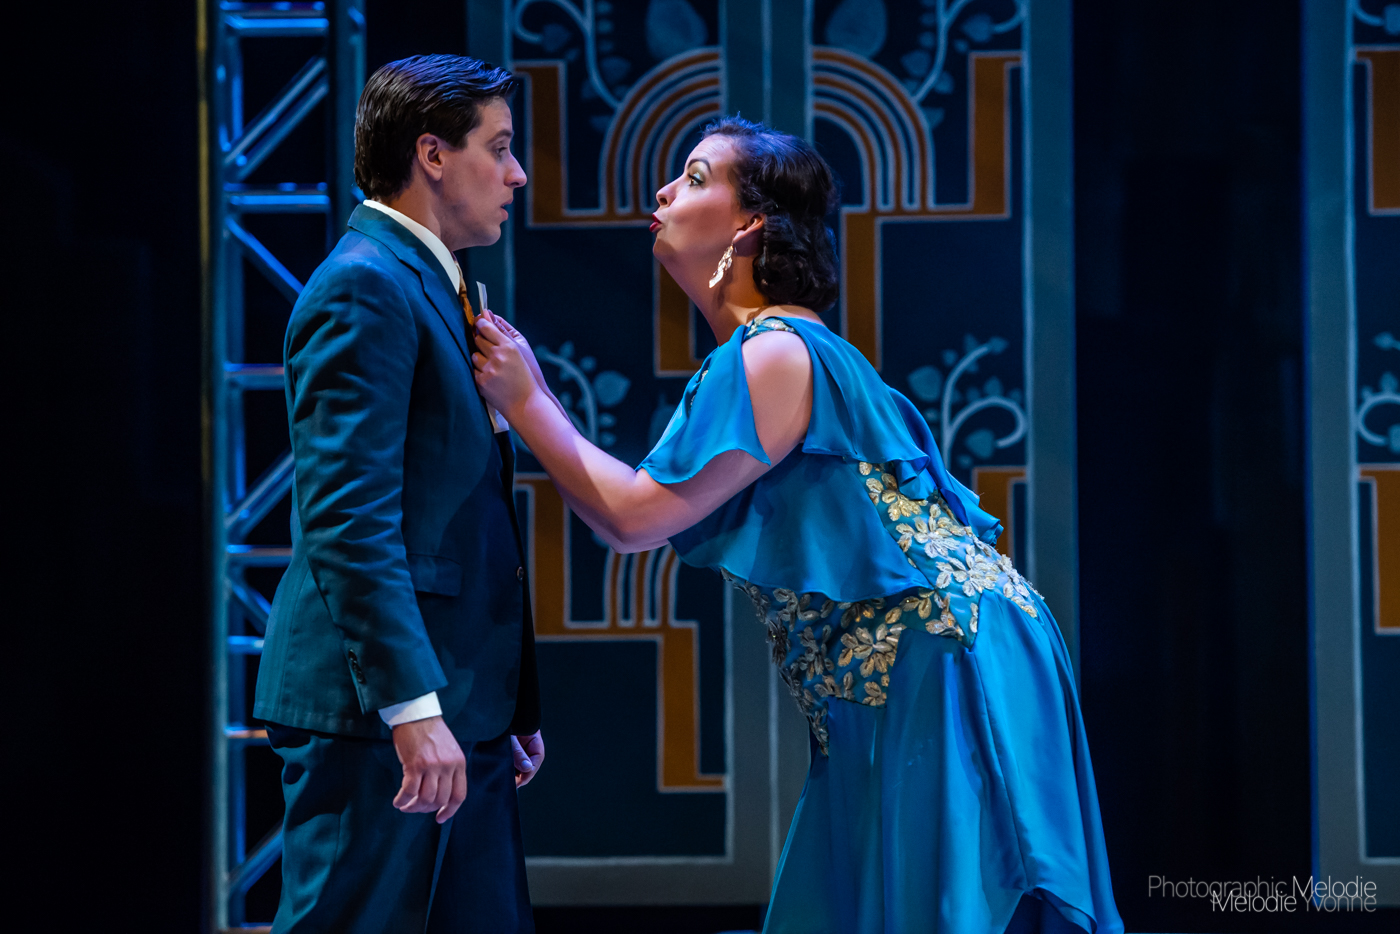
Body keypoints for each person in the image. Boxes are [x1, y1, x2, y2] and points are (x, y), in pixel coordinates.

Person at [471, 117, 1124, 934]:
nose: (665, 192)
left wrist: (528, 400)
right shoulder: (783, 348)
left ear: (749, 224)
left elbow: (632, 517)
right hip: (917, 659)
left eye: (696, 177)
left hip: (936, 655)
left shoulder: (772, 350)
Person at [253, 55, 544, 934]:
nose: (516, 173)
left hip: (462, 701)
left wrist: (503, 701)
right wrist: (412, 709)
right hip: (383, 714)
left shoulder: (427, 282)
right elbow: (349, 520)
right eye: (499, 147)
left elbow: (459, 511)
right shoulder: (365, 285)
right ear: (432, 154)